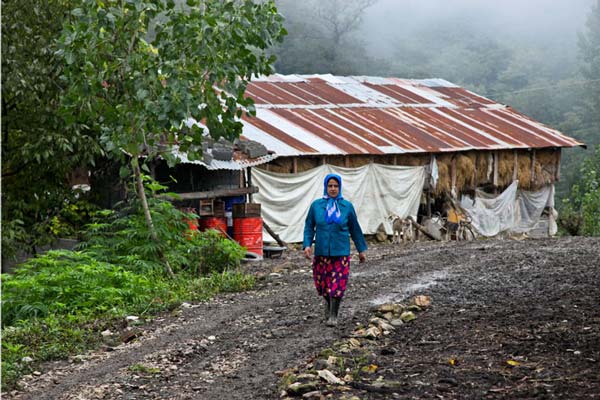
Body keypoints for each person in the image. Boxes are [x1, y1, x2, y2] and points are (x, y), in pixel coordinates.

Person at [303, 173, 367, 326]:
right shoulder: (316, 206)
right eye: (330, 186)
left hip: (341, 252)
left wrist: (361, 250)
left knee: (337, 284)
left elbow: (355, 229)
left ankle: (333, 315)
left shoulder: (347, 207)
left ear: (340, 187)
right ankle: (328, 304)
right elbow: (309, 226)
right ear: (326, 187)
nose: (333, 189)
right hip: (321, 252)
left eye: (336, 186)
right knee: (323, 284)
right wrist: (307, 245)